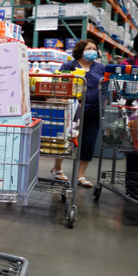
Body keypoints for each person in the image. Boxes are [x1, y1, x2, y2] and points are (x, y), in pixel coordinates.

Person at [50, 39, 105, 188]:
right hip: (72, 111)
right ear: (80, 50)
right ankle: (57, 168)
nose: (93, 51)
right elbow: (58, 83)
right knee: (65, 140)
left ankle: (80, 175)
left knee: (88, 144)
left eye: (95, 48)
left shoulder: (101, 68)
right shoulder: (69, 65)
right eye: (89, 48)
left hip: (93, 111)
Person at [122, 31, 138, 201]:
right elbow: (119, 89)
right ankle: (133, 188)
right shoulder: (129, 64)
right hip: (135, 113)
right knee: (137, 152)